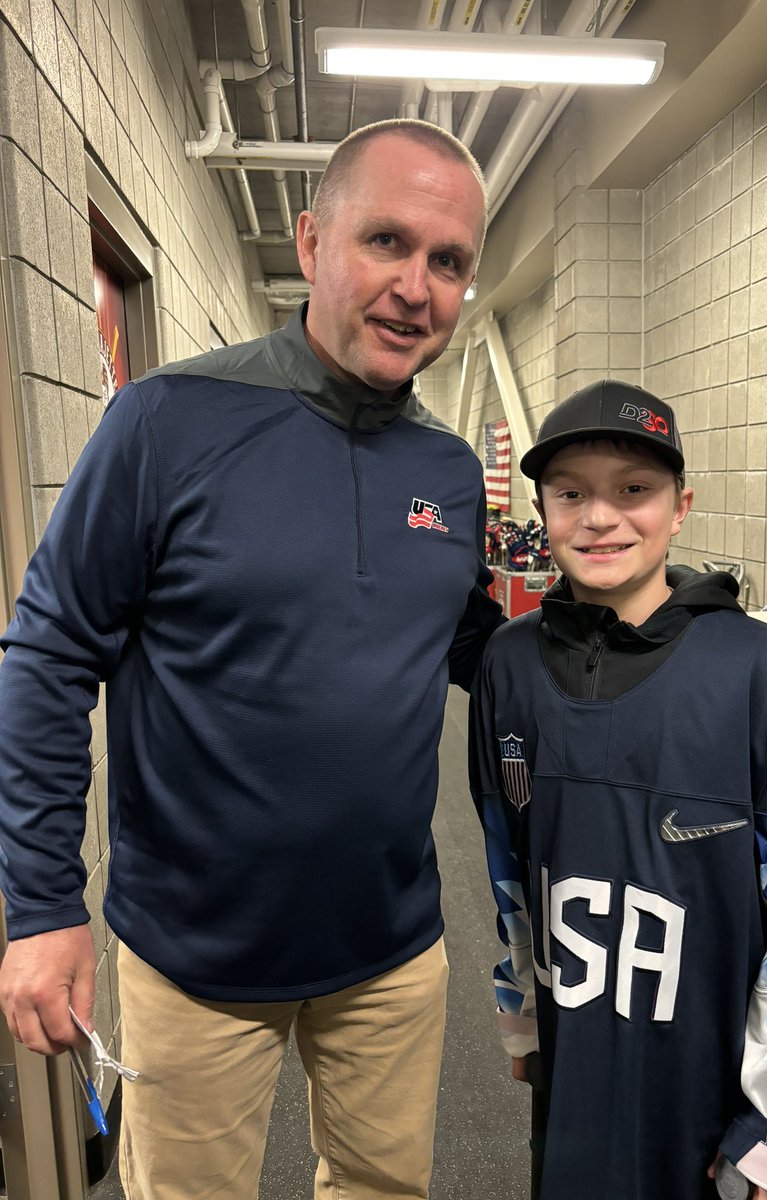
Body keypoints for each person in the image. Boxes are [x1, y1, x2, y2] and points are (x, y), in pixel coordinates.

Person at [0, 118, 504, 1200]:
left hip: (393, 946)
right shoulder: (165, 423)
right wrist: (41, 906)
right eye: (387, 243)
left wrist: (636, 652)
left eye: (448, 261)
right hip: (194, 953)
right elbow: (45, 652)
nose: (417, 287)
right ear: (313, 239)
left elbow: (464, 644)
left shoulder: (449, 472)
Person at [469, 378, 767, 1200]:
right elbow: (507, 862)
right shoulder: (509, 664)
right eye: (571, 495)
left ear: (680, 505)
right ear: (542, 509)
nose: (600, 518)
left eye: (634, 490)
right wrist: (522, 1011)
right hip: (575, 1069)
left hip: (707, 1096)